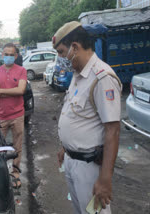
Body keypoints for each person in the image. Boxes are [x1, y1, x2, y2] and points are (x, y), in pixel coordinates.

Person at [54, 21, 121, 214]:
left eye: (61, 52)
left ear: (75, 47)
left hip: (90, 167)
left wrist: (105, 179)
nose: (60, 58)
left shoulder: (102, 77)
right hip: (72, 160)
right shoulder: (77, 74)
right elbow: (79, 117)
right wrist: (65, 147)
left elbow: (112, 130)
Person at [0, 43, 27, 189]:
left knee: (17, 147)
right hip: (2, 116)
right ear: (2, 55)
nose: (9, 57)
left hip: (18, 115)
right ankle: (0, 173)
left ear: (16, 56)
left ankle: (15, 174)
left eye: (12, 54)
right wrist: (13, 90)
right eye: (6, 54)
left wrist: (3, 91)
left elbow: (21, 90)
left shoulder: (22, 70)